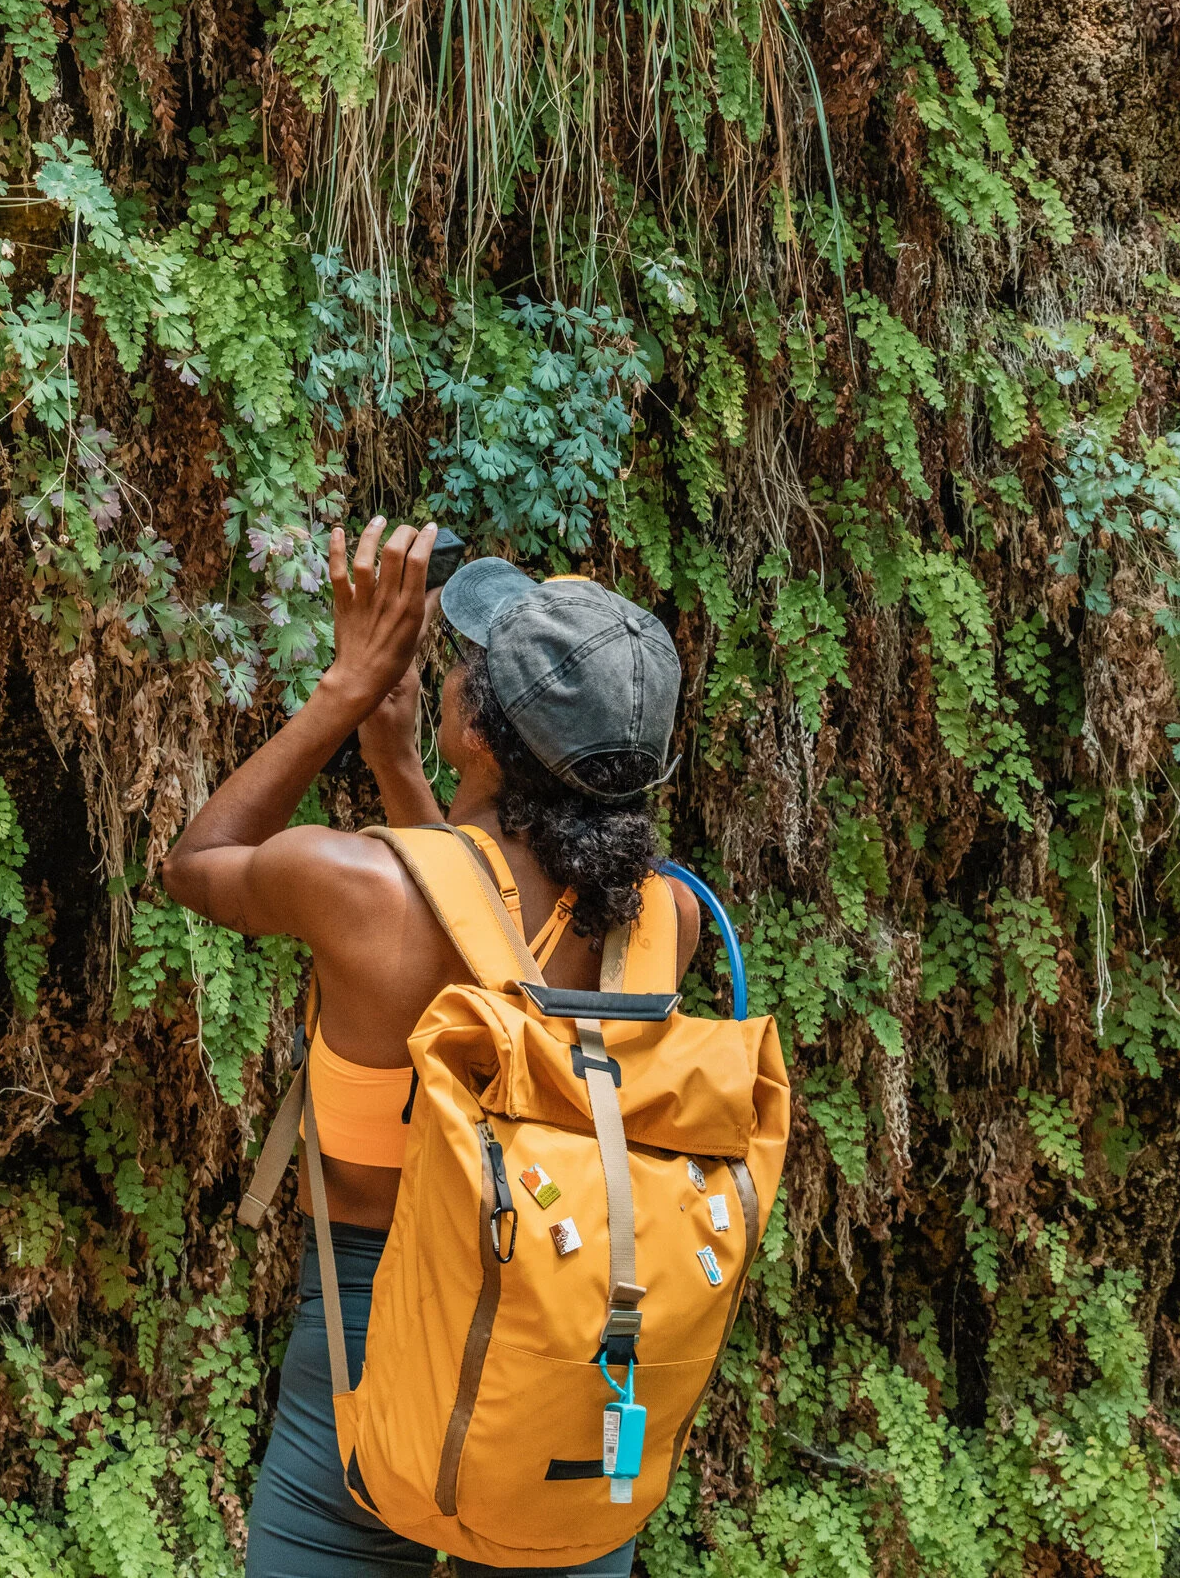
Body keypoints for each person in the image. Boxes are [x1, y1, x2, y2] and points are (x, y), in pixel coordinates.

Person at [160, 518, 700, 1578]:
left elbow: (199, 860)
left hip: (365, 1359)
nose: (449, 672)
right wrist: (401, 767)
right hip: (567, 1367)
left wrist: (348, 687)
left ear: (478, 733)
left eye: (464, 666)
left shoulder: (357, 886)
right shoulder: (662, 922)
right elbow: (503, 976)